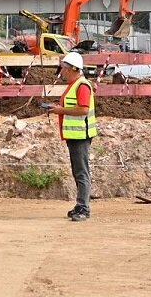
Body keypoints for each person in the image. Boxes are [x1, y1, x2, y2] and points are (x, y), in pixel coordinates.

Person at [45, 50, 97, 221]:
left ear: (72, 69)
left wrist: (60, 110)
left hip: (81, 135)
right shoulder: (76, 84)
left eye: (64, 69)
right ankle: (80, 204)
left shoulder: (82, 85)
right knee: (78, 171)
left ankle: (84, 207)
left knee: (81, 172)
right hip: (74, 135)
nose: (62, 72)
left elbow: (83, 109)